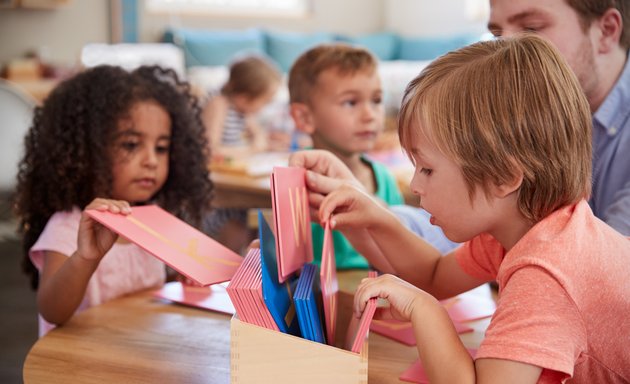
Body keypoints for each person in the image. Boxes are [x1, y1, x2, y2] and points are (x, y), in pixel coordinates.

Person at [292, 35, 630, 382]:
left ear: (504, 176)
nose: (415, 185)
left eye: (427, 169)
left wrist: (426, 311)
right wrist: (373, 217)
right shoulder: (525, 226)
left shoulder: (546, 275)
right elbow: (435, 275)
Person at [14, 65, 214, 336]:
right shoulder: (69, 226)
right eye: (131, 145)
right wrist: (86, 257)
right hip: (79, 365)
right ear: (87, 150)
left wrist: (178, 280)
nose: (151, 161)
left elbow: (140, 290)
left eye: (162, 148)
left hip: (134, 356)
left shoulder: (151, 220)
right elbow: (52, 310)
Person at [287, 43, 404, 269]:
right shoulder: (300, 180)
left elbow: (402, 250)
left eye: (376, 100)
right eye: (351, 102)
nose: (369, 115)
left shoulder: (385, 178)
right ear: (304, 117)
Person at [202, 54, 283, 157]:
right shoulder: (218, 104)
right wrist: (251, 150)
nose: (265, 107)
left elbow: (258, 135)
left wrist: (266, 144)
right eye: (265, 101)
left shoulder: (243, 110)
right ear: (243, 98)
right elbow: (209, 150)